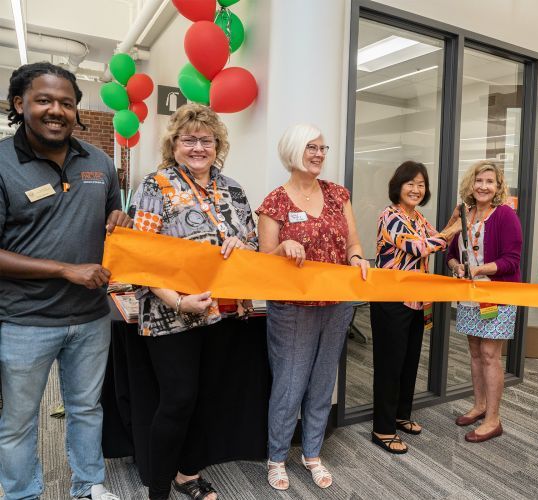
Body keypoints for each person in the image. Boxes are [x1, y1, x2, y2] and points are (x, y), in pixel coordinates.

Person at [0, 62, 130, 500]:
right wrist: (63, 269)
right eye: (44, 100)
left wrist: (119, 221)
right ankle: (22, 493)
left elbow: (113, 222)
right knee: (19, 421)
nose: (56, 110)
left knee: (86, 409)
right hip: (25, 319)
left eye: (67, 103)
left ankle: (88, 486)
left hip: (91, 317)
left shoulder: (99, 162)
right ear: (20, 104)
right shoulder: (1, 163)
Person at [128, 103, 258, 500]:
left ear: (218, 144)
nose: (199, 147)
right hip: (172, 316)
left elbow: (252, 242)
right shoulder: (156, 185)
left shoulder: (232, 188)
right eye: (190, 140)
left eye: (207, 140)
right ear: (175, 144)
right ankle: (158, 490)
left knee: (206, 398)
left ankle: (188, 475)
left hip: (222, 314)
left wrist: (243, 244)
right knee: (178, 401)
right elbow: (140, 256)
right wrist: (178, 302)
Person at [257, 123, 369, 490]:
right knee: (290, 385)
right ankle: (276, 458)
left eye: (323, 148)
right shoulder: (275, 201)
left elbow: (353, 241)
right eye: (311, 147)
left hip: (336, 304)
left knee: (323, 382)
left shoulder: (338, 194)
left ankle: (312, 453)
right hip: (293, 308)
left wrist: (357, 258)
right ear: (293, 151)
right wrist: (281, 250)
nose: (319, 154)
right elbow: (262, 262)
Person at [370, 161, 462, 454]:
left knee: (410, 360)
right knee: (390, 363)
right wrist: (454, 228)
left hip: (417, 300)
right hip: (391, 300)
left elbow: (439, 241)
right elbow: (420, 247)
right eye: (410, 183)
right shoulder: (390, 216)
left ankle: (401, 415)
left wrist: (452, 226)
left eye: (421, 184)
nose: (416, 189)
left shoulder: (418, 218)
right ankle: (382, 429)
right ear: (398, 186)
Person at [446, 160, 522, 443]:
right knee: (476, 353)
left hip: (497, 297)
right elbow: (450, 253)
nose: (483, 186)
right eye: (479, 181)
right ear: (471, 184)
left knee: (490, 355)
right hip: (470, 297)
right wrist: (457, 267)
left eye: (490, 182)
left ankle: (493, 419)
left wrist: (478, 269)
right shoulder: (464, 215)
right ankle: (479, 406)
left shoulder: (504, 215)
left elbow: (511, 261)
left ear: (498, 186)